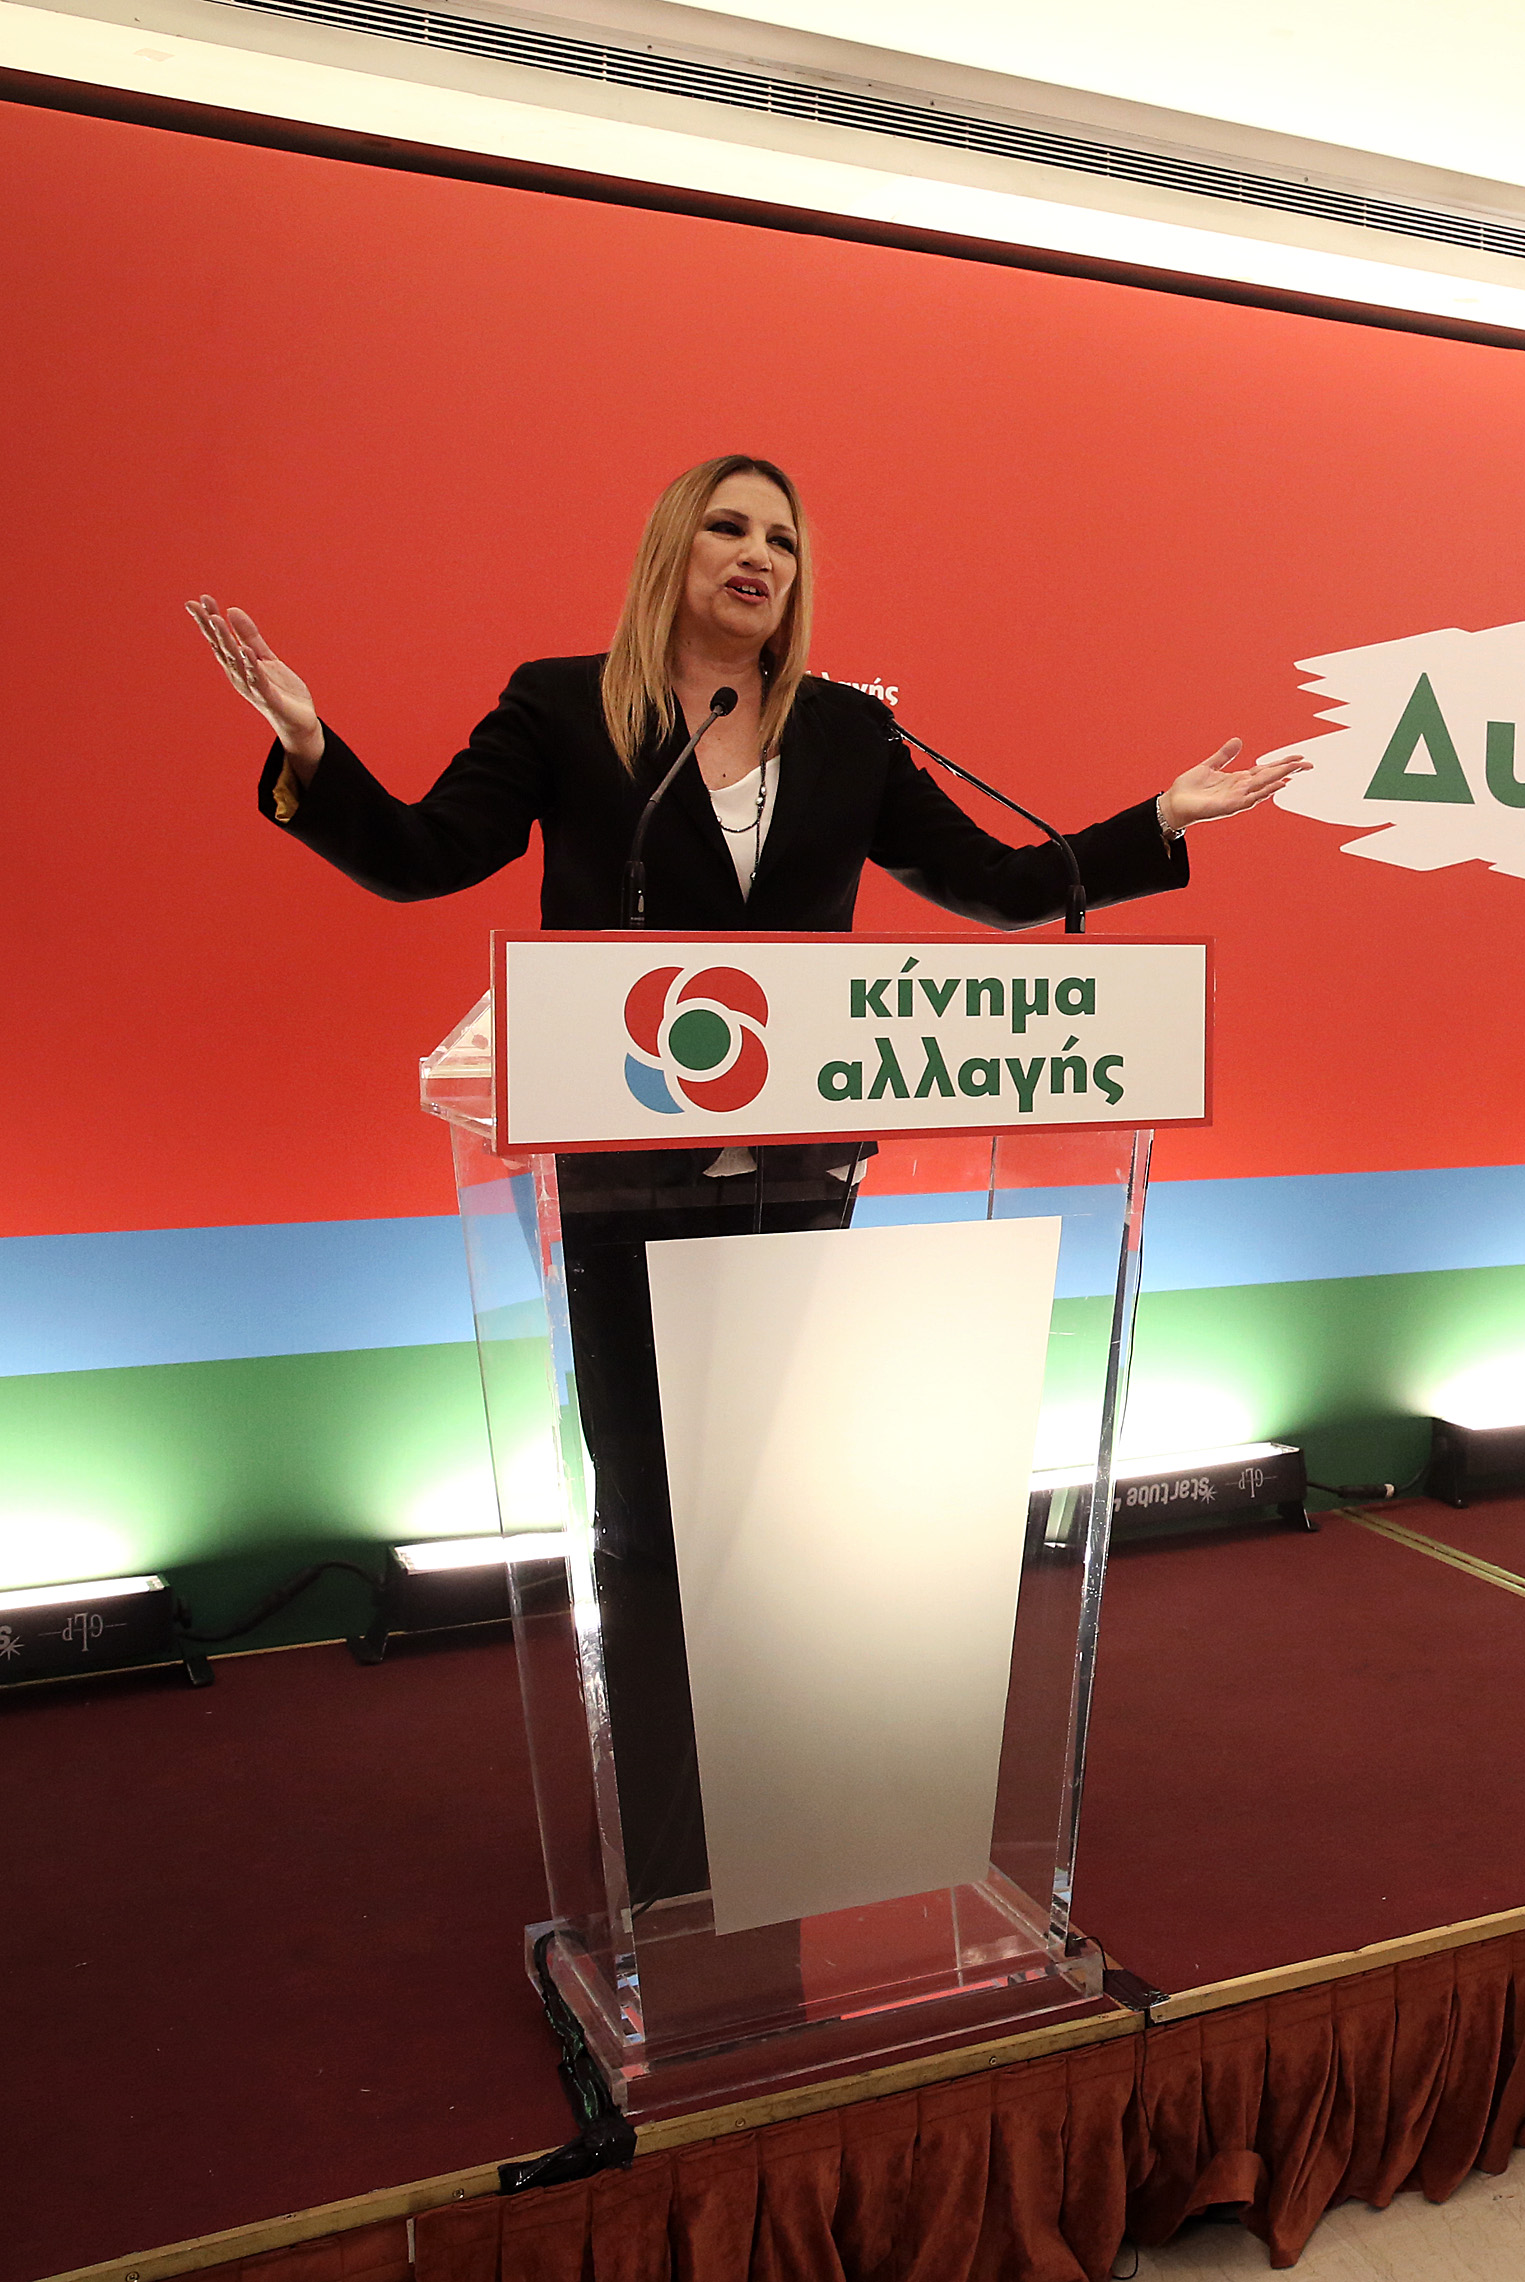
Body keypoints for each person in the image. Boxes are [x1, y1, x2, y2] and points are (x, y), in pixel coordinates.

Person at [193, 453, 1302, 1907]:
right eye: (727, 525)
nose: (756, 553)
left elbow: (995, 884)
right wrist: (310, 751)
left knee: (771, 1509)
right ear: (674, 547)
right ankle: (668, 1850)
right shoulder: (563, 707)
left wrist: (1160, 817)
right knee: (650, 1511)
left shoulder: (849, 731)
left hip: (795, 1173)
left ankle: (782, 1811)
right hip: (619, 1179)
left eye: (780, 535)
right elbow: (424, 856)